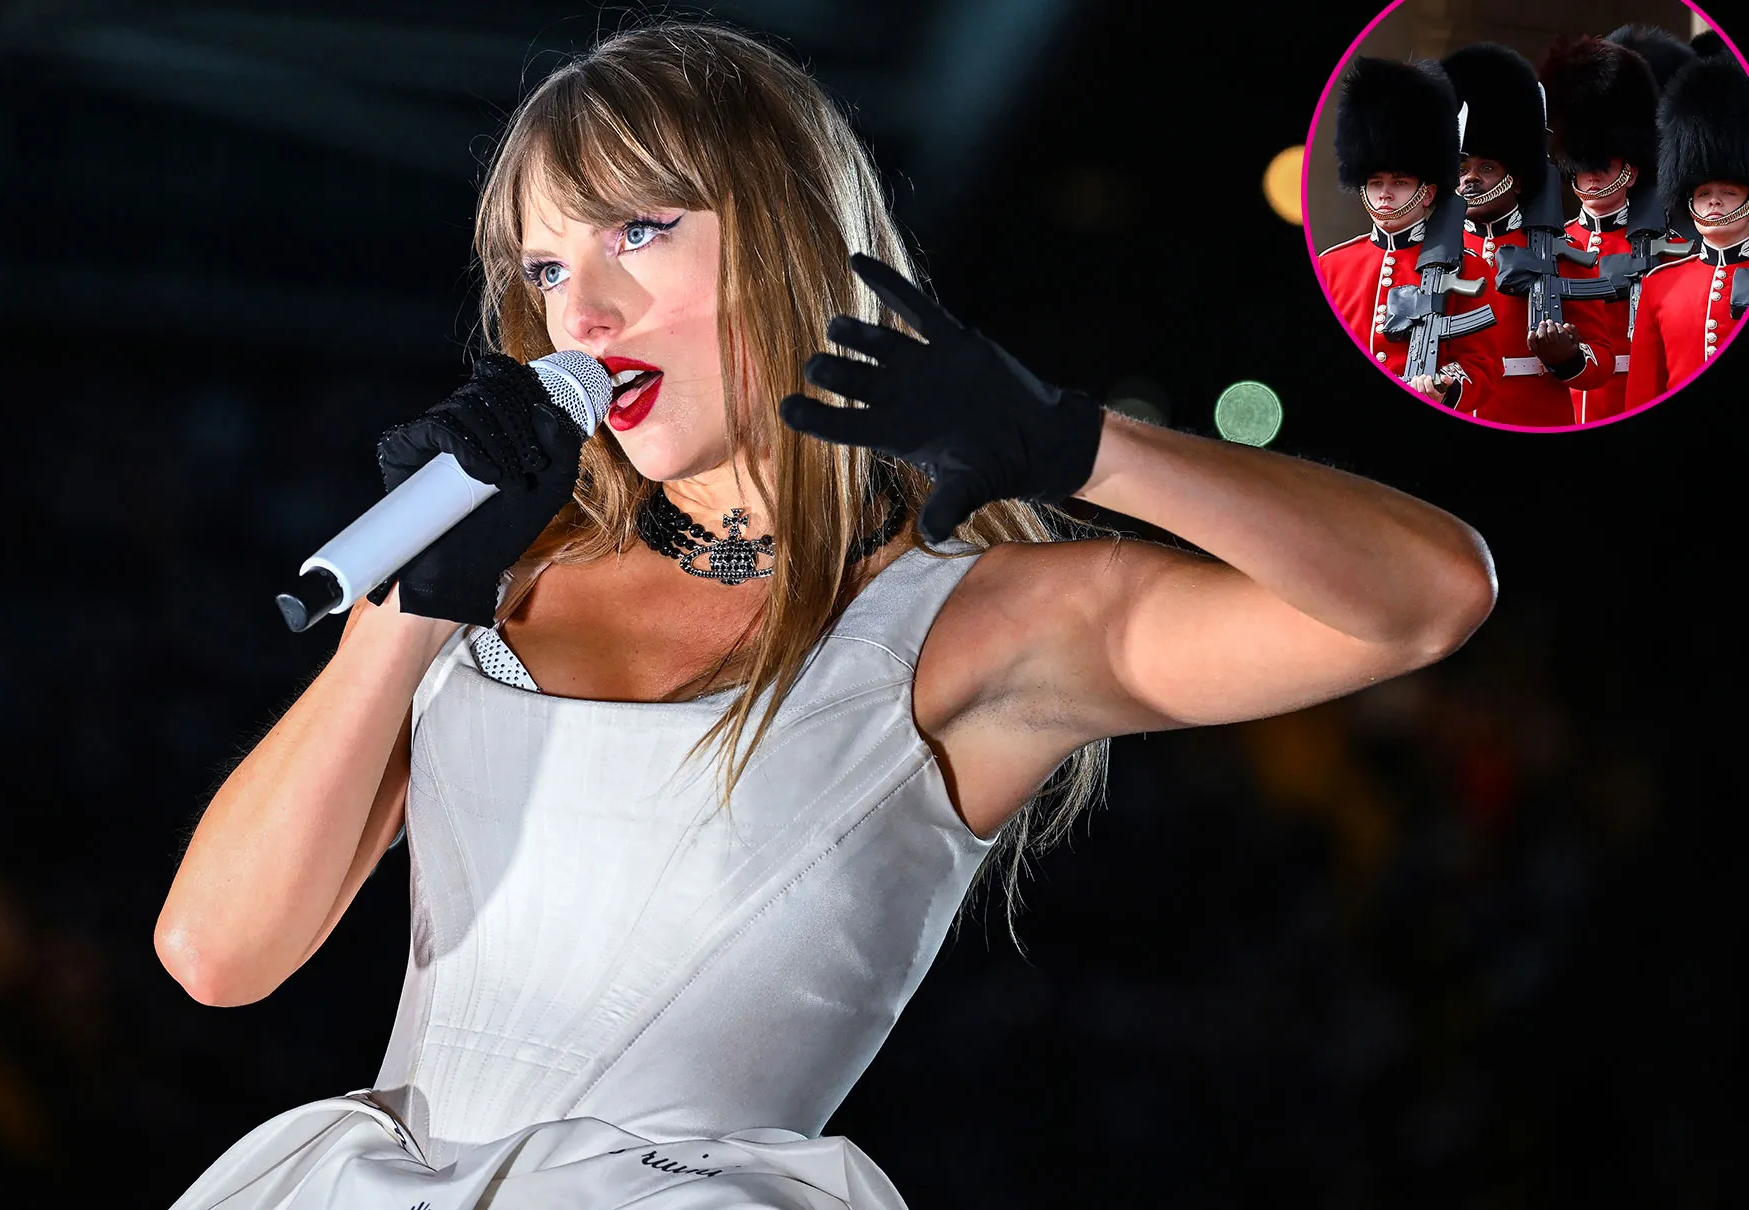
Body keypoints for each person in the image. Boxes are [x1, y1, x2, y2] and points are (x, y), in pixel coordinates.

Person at [155, 22, 1497, 1210]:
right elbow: (215, 955)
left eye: (638, 230)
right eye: (546, 267)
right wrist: (408, 610)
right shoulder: (492, 581)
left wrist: (1083, 447)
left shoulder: (973, 621)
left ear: (787, 232)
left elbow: (1428, 601)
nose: (587, 309)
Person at [1444, 42, 1622, 427]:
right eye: (1462, 168)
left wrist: (1568, 358)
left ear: (1518, 179)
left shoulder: (1563, 253)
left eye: (1486, 168)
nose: (1471, 178)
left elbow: (1602, 360)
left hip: (1534, 419)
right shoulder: (1433, 253)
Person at [1316, 56, 1501, 411]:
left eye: (1400, 183)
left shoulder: (1468, 268)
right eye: (1376, 183)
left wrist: (1444, 387)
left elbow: (1483, 367)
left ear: (1427, 193)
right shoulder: (1332, 265)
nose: (1385, 194)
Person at [1538, 34, 1687, 422]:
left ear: (1630, 172)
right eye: (1582, 167)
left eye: (1601, 167)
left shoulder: (1668, 247)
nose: (1591, 177)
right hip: (1564, 402)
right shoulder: (1553, 242)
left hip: (1636, 397)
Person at [1628, 55, 1749, 400]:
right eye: (1704, 194)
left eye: (1729, 193)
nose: (1714, 202)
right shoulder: (1659, 285)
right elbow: (1643, 392)